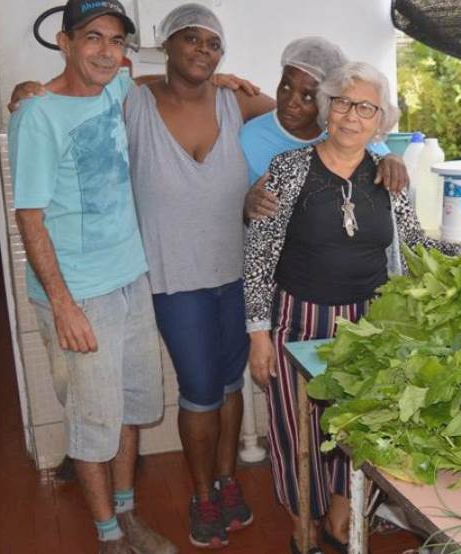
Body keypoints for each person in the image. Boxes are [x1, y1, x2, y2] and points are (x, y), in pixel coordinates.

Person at [243, 61, 461, 554]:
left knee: (360, 423)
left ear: (380, 120)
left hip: (368, 322)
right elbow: (260, 256)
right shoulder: (289, 169)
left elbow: (414, 247)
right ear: (327, 109)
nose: (351, 116)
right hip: (297, 320)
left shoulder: (392, 178)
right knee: (292, 428)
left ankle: (343, 516)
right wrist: (259, 334)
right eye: (342, 103)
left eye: (365, 107)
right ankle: (302, 520)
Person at [8, 2, 175, 553]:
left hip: (130, 277)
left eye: (117, 41)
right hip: (80, 294)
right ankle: (108, 537)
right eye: (93, 38)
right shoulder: (36, 116)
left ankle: (127, 516)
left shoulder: (114, 89)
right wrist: (62, 304)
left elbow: (145, 77)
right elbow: (29, 216)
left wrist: (219, 76)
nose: (107, 51)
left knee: (130, 406)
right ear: (65, 42)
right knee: (92, 420)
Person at [122, 4, 275, 549]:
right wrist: (28, 91)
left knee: (232, 383)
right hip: (174, 276)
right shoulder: (134, 101)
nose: (203, 52)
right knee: (201, 387)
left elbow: (310, 118)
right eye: (191, 41)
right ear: (166, 44)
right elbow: (83, 87)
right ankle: (201, 491)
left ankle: (229, 482)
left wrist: (383, 153)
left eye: (212, 45)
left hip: (237, 271)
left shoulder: (238, 101)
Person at [240, 37, 408, 221]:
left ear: (327, 99)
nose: (291, 102)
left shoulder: (341, 133)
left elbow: (379, 156)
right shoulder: (250, 138)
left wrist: (392, 159)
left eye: (308, 96)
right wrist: (246, 206)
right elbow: (229, 205)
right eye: (286, 87)